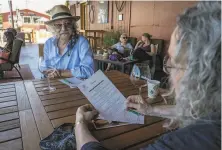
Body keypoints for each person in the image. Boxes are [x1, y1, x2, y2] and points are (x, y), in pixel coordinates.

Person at [74, 1, 221, 150]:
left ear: (200, 76)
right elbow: (194, 112)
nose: (169, 74)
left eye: (174, 63)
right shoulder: (214, 114)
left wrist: (80, 124)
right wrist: (150, 110)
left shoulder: (191, 140)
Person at [42, 5, 94, 79]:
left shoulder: (82, 42)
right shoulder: (48, 44)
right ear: (53, 27)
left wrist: (60, 73)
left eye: (67, 24)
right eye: (58, 25)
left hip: (76, 87)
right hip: (54, 86)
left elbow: (88, 71)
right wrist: (48, 73)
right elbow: (45, 68)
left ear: (73, 25)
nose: (63, 28)